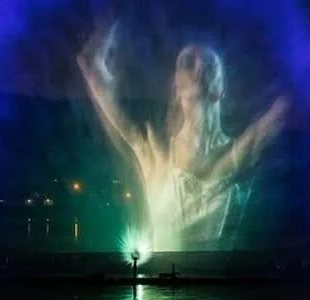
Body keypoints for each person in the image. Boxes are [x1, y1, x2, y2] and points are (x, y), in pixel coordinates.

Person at [78, 23, 287, 250]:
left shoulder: (240, 153)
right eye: (188, 63)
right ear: (176, 86)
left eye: (209, 64)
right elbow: (93, 69)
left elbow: (290, 103)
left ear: (220, 88)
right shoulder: (156, 152)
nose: (199, 67)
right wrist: (110, 18)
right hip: (166, 273)